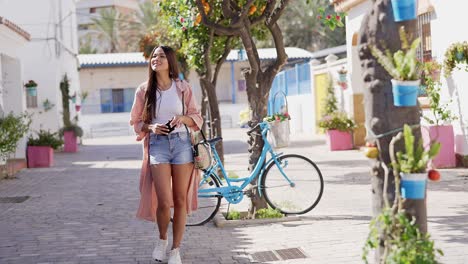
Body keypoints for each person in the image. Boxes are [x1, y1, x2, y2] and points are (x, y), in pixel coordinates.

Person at [130, 45, 203, 264]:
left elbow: (196, 117)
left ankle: (175, 250)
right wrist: (151, 127)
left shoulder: (182, 87)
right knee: (163, 200)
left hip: (182, 144)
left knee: (180, 199)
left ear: (170, 61)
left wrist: (182, 119)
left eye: (161, 56)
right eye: (154, 56)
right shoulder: (144, 90)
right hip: (158, 146)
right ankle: (162, 240)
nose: (156, 59)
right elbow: (135, 121)